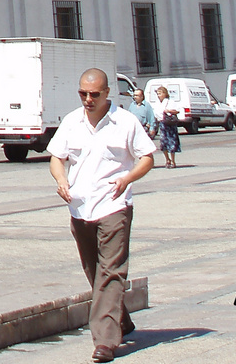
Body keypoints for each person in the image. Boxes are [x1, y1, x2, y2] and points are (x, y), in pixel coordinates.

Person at [47, 69, 155, 363]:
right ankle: (122, 320)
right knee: (94, 271)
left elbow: (147, 157)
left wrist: (127, 178)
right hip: (80, 207)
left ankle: (105, 341)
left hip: (114, 206)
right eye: (83, 93)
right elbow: (57, 158)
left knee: (112, 270)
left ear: (108, 92)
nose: (88, 99)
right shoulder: (72, 121)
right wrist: (61, 181)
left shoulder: (126, 121)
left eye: (94, 94)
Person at [154, 85, 180, 169]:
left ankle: (173, 161)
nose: (159, 95)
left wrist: (169, 111)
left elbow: (177, 111)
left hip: (170, 124)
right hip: (162, 124)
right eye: (157, 94)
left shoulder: (170, 102)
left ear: (165, 93)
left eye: (160, 93)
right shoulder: (157, 103)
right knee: (163, 143)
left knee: (171, 143)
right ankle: (167, 159)